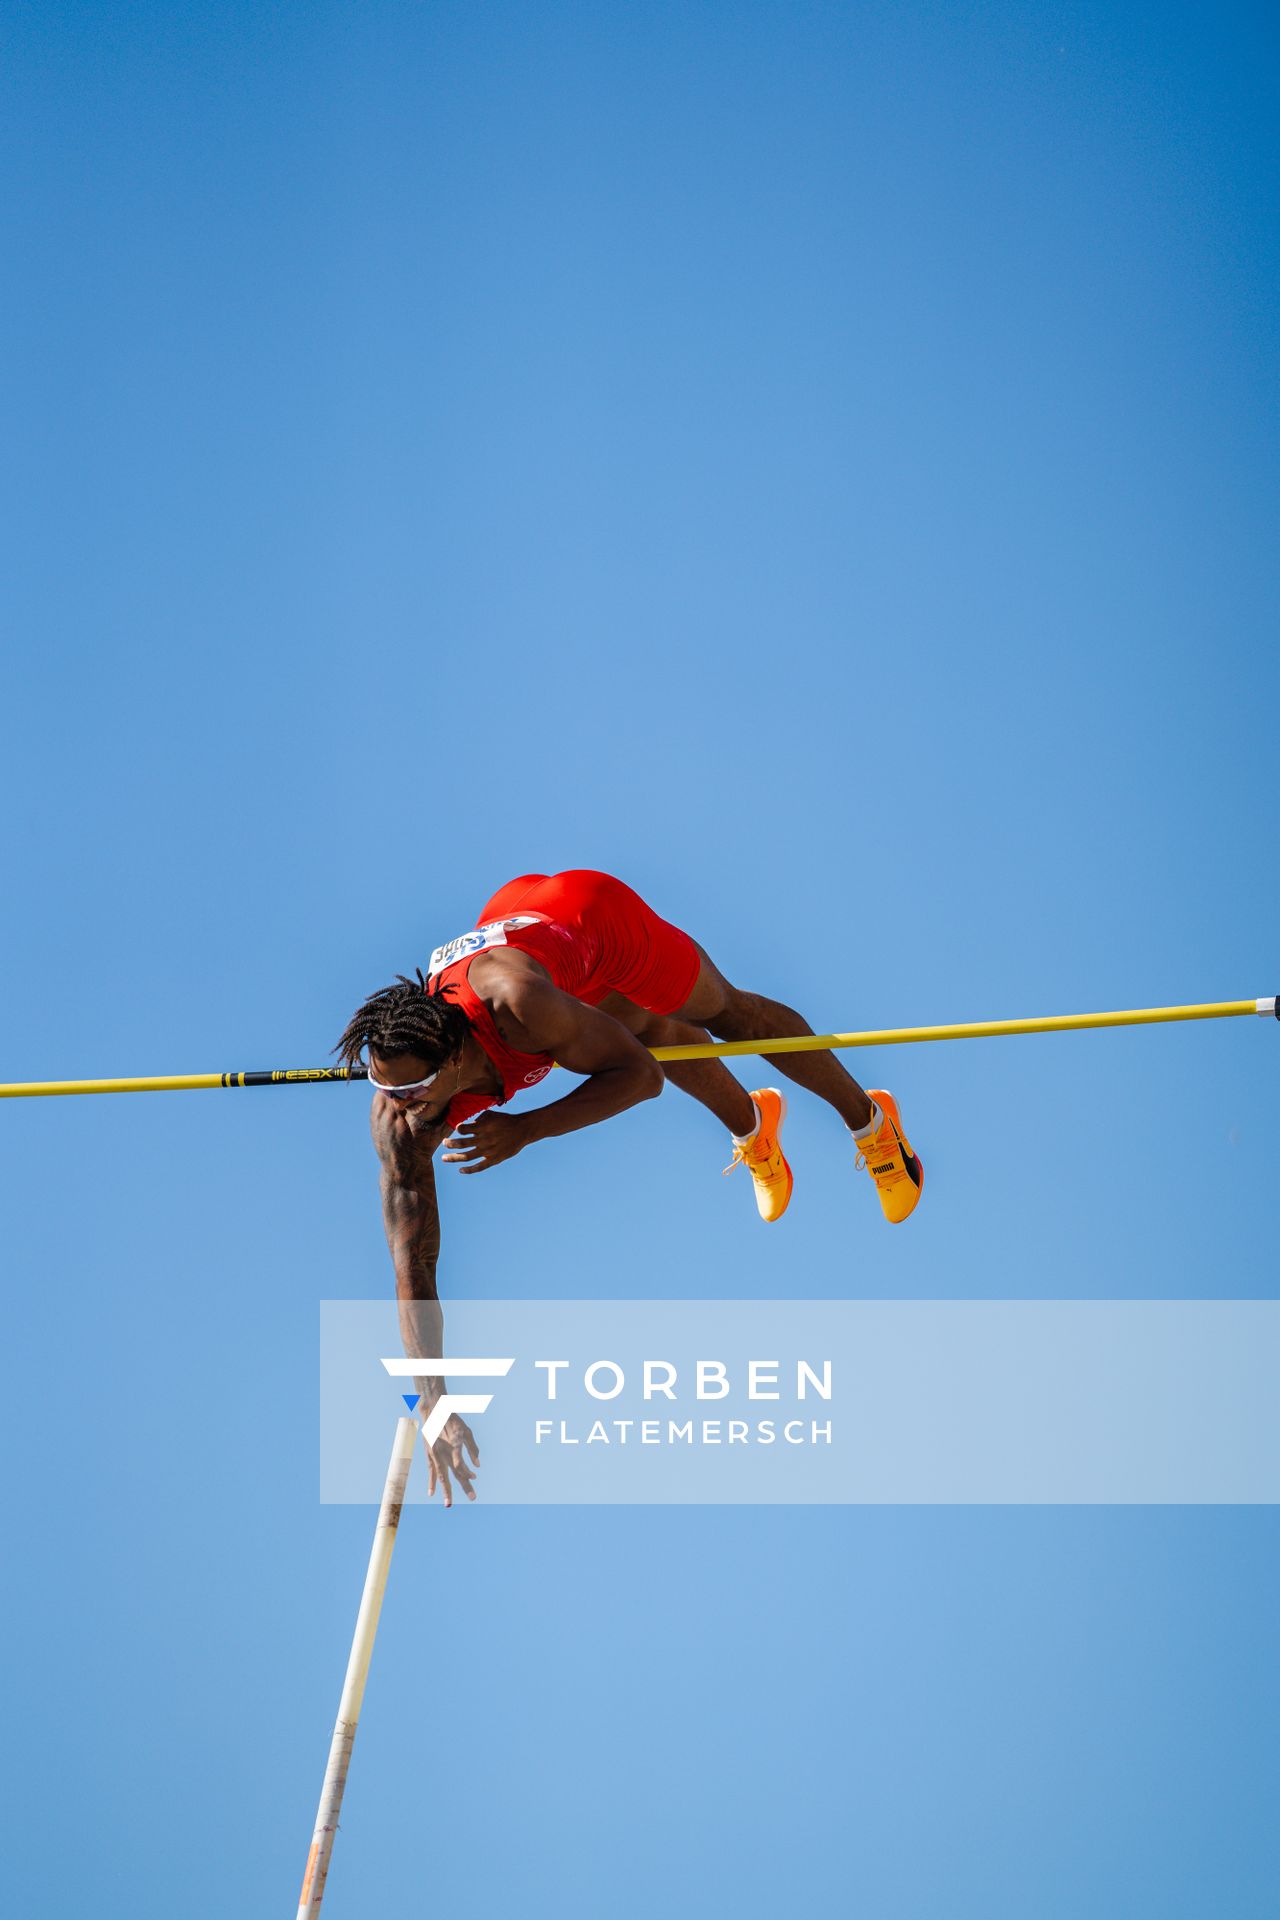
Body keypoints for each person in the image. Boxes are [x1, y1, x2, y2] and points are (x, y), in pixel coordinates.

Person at [336, 869, 922, 1503]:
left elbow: (641, 1079)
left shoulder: (520, 1007)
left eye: (414, 1089)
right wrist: (435, 1404)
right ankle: (756, 1127)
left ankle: (871, 1124)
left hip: (591, 922)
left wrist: (528, 1129)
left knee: (720, 1012)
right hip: (524, 939)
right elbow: (412, 1263)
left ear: (454, 1060)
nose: (405, 1105)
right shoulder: (399, 1119)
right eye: (386, 1088)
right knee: (646, 1028)